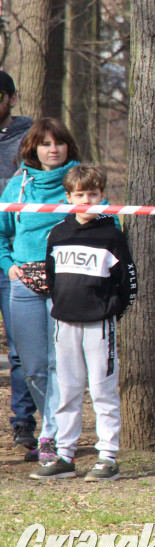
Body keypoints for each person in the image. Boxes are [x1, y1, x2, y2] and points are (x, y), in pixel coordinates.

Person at [29, 166, 136, 481]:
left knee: (103, 391)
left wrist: (112, 311)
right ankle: (64, 455)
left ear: (102, 195)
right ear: (68, 197)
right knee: (67, 392)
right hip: (64, 324)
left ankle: (107, 456)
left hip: (100, 325)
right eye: (80, 195)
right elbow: (51, 275)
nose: (87, 200)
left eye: (93, 194)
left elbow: (127, 281)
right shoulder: (59, 232)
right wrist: (61, 303)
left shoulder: (111, 234)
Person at [0, 118, 82, 465]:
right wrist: (10, 267)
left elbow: (109, 224)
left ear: (68, 147)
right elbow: (2, 234)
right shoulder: (17, 186)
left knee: (61, 364)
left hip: (69, 286)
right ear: (33, 148)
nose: (52, 149)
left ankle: (53, 435)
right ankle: (56, 428)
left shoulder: (80, 183)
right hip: (25, 285)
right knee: (33, 367)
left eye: (58, 143)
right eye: (45, 143)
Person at [0, 71, 37, 458]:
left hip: (13, 258)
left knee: (22, 348)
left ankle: (25, 423)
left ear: (12, 97)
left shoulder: (32, 140)